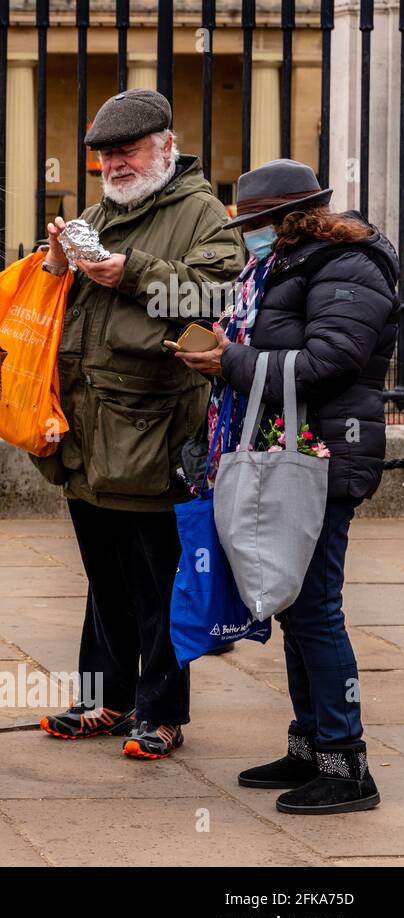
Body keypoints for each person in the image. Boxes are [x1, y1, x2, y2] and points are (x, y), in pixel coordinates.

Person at [172, 158, 397, 813]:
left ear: (286, 219)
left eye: (255, 224)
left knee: (317, 608)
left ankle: (347, 764)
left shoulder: (346, 264)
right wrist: (220, 351)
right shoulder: (285, 265)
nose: (248, 236)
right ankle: (310, 746)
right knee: (296, 607)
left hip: (324, 457)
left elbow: (331, 361)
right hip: (288, 451)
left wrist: (231, 360)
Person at [34, 89, 246, 758]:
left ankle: (160, 712)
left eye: (126, 151)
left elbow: (217, 295)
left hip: (156, 426)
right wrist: (57, 267)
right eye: (103, 155)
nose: (113, 164)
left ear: (164, 147)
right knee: (104, 578)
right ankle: (105, 698)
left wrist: (134, 273)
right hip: (89, 428)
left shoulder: (200, 212)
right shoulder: (101, 211)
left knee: (158, 583)